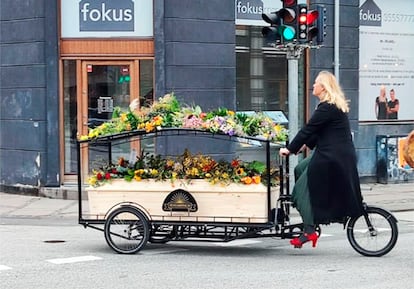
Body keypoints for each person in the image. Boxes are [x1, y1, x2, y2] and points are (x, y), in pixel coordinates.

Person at [279, 71, 364, 249]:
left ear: (323, 87)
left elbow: (308, 129)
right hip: (332, 154)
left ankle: (309, 229)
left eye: (316, 83)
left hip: (331, 157)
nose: (313, 86)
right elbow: (320, 133)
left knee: (300, 190)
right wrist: (304, 146)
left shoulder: (327, 107)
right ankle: (312, 216)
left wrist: (290, 148)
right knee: (300, 169)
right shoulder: (329, 107)